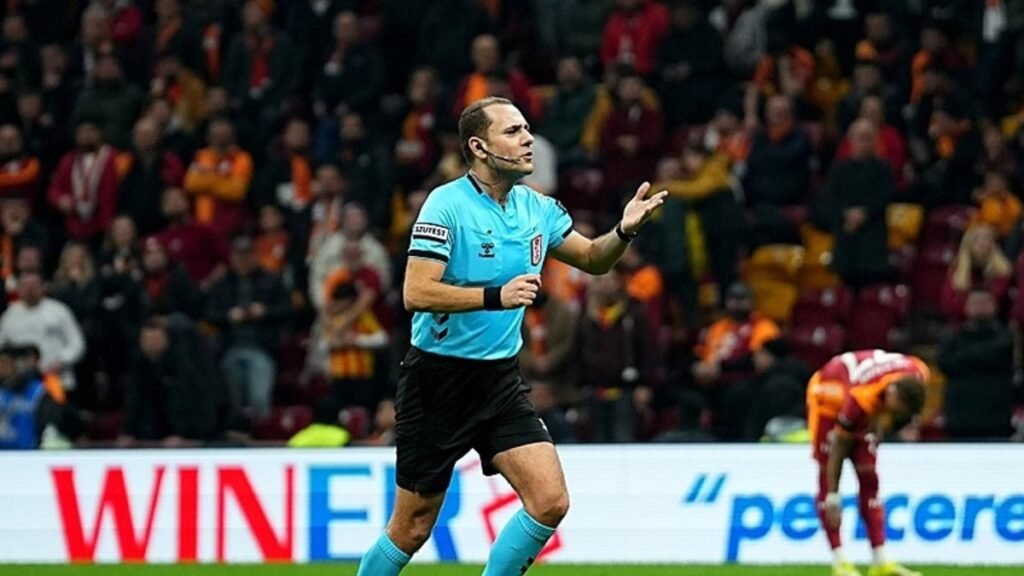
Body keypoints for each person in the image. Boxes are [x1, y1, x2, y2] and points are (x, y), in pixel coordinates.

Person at [356, 96, 666, 575]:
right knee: (412, 528)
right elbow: (416, 292)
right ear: (479, 147)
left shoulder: (537, 208)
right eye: (513, 131)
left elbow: (592, 258)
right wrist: (495, 296)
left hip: (500, 380)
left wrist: (623, 232)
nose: (527, 140)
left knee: (550, 501)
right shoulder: (446, 205)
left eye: (526, 129)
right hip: (438, 381)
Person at [807, 350, 928, 576]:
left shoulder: (920, 371)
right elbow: (839, 446)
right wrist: (833, 495)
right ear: (892, 394)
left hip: (861, 387)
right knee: (827, 470)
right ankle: (840, 563)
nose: (894, 415)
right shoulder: (861, 398)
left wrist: (880, 424)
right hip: (830, 390)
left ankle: (880, 560)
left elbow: (888, 407)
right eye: (895, 411)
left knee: (869, 475)